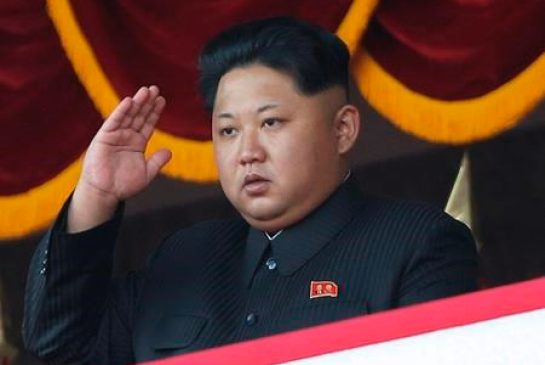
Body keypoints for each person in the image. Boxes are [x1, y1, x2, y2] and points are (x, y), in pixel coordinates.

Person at [22, 17, 478, 365]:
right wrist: (96, 194)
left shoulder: (419, 243)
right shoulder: (183, 258)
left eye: (271, 123)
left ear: (342, 130)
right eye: (227, 131)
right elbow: (57, 346)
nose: (247, 152)